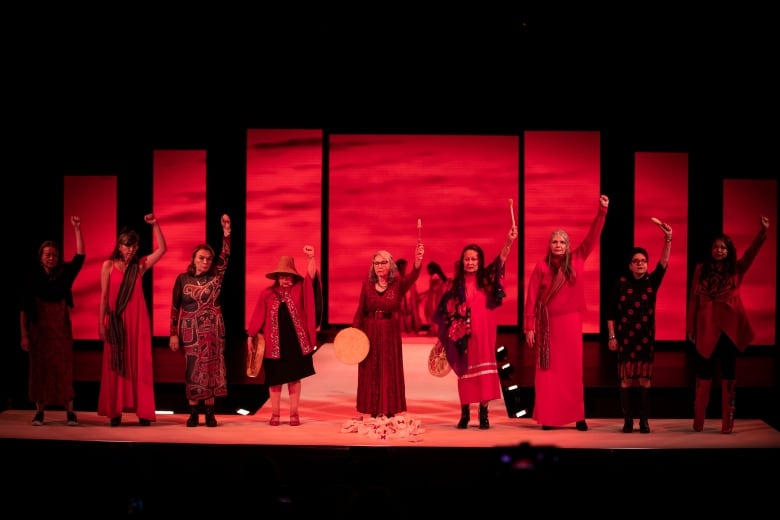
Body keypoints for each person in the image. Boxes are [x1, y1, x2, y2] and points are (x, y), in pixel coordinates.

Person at [524, 194, 609, 431]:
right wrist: (529, 326)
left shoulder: (579, 258)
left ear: (568, 245)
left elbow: (593, 236)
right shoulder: (541, 267)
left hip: (571, 324)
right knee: (548, 372)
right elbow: (531, 298)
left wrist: (601, 212)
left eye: (562, 242)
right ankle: (549, 417)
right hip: (547, 326)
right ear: (549, 246)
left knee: (572, 372)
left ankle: (577, 416)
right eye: (555, 242)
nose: (558, 245)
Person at [687, 215, 770, 434]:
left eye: (723, 247)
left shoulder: (736, 269)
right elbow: (693, 300)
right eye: (716, 247)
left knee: (728, 374)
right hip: (706, 328)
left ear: (728, 250)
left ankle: (727, 425)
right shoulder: (700, 269)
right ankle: (698, 423)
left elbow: (752, 253)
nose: (719, 250)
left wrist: (762, 233)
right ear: (711, 250)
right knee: (703, 374)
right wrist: (690, 328)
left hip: (729, 329)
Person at [432, 224, 518, 429]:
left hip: (485, 335)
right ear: (462, 262)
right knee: (465, 375)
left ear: (480, 262)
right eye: (467, 259)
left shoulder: (487, 280)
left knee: (484, 377)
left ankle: (484, 413)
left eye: (474, 259)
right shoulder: (455, 286)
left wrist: (509, 240)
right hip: (463, 337)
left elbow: (502, 258)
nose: (470, 262)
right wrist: (441, 338)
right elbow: (446, 313)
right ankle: (465, 414)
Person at [97, 213, 167, 426]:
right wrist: (101, 324)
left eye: (134, 246)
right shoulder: (108, 266)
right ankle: (115, 411)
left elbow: (162, 250)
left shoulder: (140, 266)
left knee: (140, 365)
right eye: (128, 246)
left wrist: (155, 225)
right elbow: (104, 295)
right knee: (115, 364)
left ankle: (144, 412)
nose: (131, 250)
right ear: (120, 246)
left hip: (138, 323)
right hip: (116, 323)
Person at [606, 218, 673, 434]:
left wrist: (668, 239)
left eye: (643, 261)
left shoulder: (651, 282)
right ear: (630, 265)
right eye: (636, 261)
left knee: (644, 381)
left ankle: (644, 421)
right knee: (626, 382)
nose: (640, 264)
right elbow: (611, 313)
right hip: (625, 340)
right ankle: (627, 421)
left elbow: (663, 263)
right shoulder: (621, 284)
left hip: (645, 340)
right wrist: (612, 337)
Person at [20, 216, 85, 426]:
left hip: (60, 328)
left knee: (64, 368)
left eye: (55, 255)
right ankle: (40, 413)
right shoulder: (31, 277)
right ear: (41, 257)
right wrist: (24, 335)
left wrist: (76, 229)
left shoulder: (63, 274)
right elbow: (24, 309)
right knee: (39, 369)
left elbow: (80, 257)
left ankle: (70, 413)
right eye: (48, 255)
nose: (52, 258)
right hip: (39, 329)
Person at [247, 246, 322, 426]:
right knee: (275, 380)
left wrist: (311, 258)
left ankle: (294, 414)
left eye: (288, 276)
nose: (285, 279)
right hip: (274, 346)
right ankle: (275, 414)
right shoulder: (267, 294)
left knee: (294, 379)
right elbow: (258, 315)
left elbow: (311, 277)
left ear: (293, 277)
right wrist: (250, 335)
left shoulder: (300, 289)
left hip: (295, 343)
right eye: (282, 276)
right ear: (277, 277)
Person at [169, 214, 231, 427]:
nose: (205, 262)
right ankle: (193, 412)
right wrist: (173, 333)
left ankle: (210, 413)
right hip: (191, 331)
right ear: (193, 259)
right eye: (201, 258)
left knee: (212, 369)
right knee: (193, 369)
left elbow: (225, 256)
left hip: (213, 330)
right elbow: (174, 307)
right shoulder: (182, 279)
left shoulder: (215, 278)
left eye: (208, 259)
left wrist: (227, 234)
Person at [351, 241, 425, 419]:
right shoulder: (367, 284)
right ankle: (374, 409)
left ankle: (390, 409)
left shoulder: (397, 284)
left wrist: (417, 259)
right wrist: (353, 334)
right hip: (370, 330)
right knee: (371, 370)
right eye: (376, 263)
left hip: (390, 331)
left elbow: (413, 276)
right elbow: (361, 309)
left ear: (390, 264)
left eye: (383, 262)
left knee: (389, 370)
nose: (379, 266)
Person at [421, 261, 448, 337]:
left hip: (435, 298)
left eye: (429, 269)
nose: (428, 271)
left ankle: (435, 330)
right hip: (436, 297)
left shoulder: (435, 276)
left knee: (433, 312)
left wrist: (429, 292)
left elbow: (435, 288)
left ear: (432, 269)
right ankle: (435, 330)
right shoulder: (437, 276)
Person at [396, 258, 422, 335]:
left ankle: (409, 328)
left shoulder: (404, 277)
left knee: (407, 314)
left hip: (406, 300)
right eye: (404, 266)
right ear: (400, 266)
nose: (405, 268)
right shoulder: (396, 277)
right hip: (400, 301)